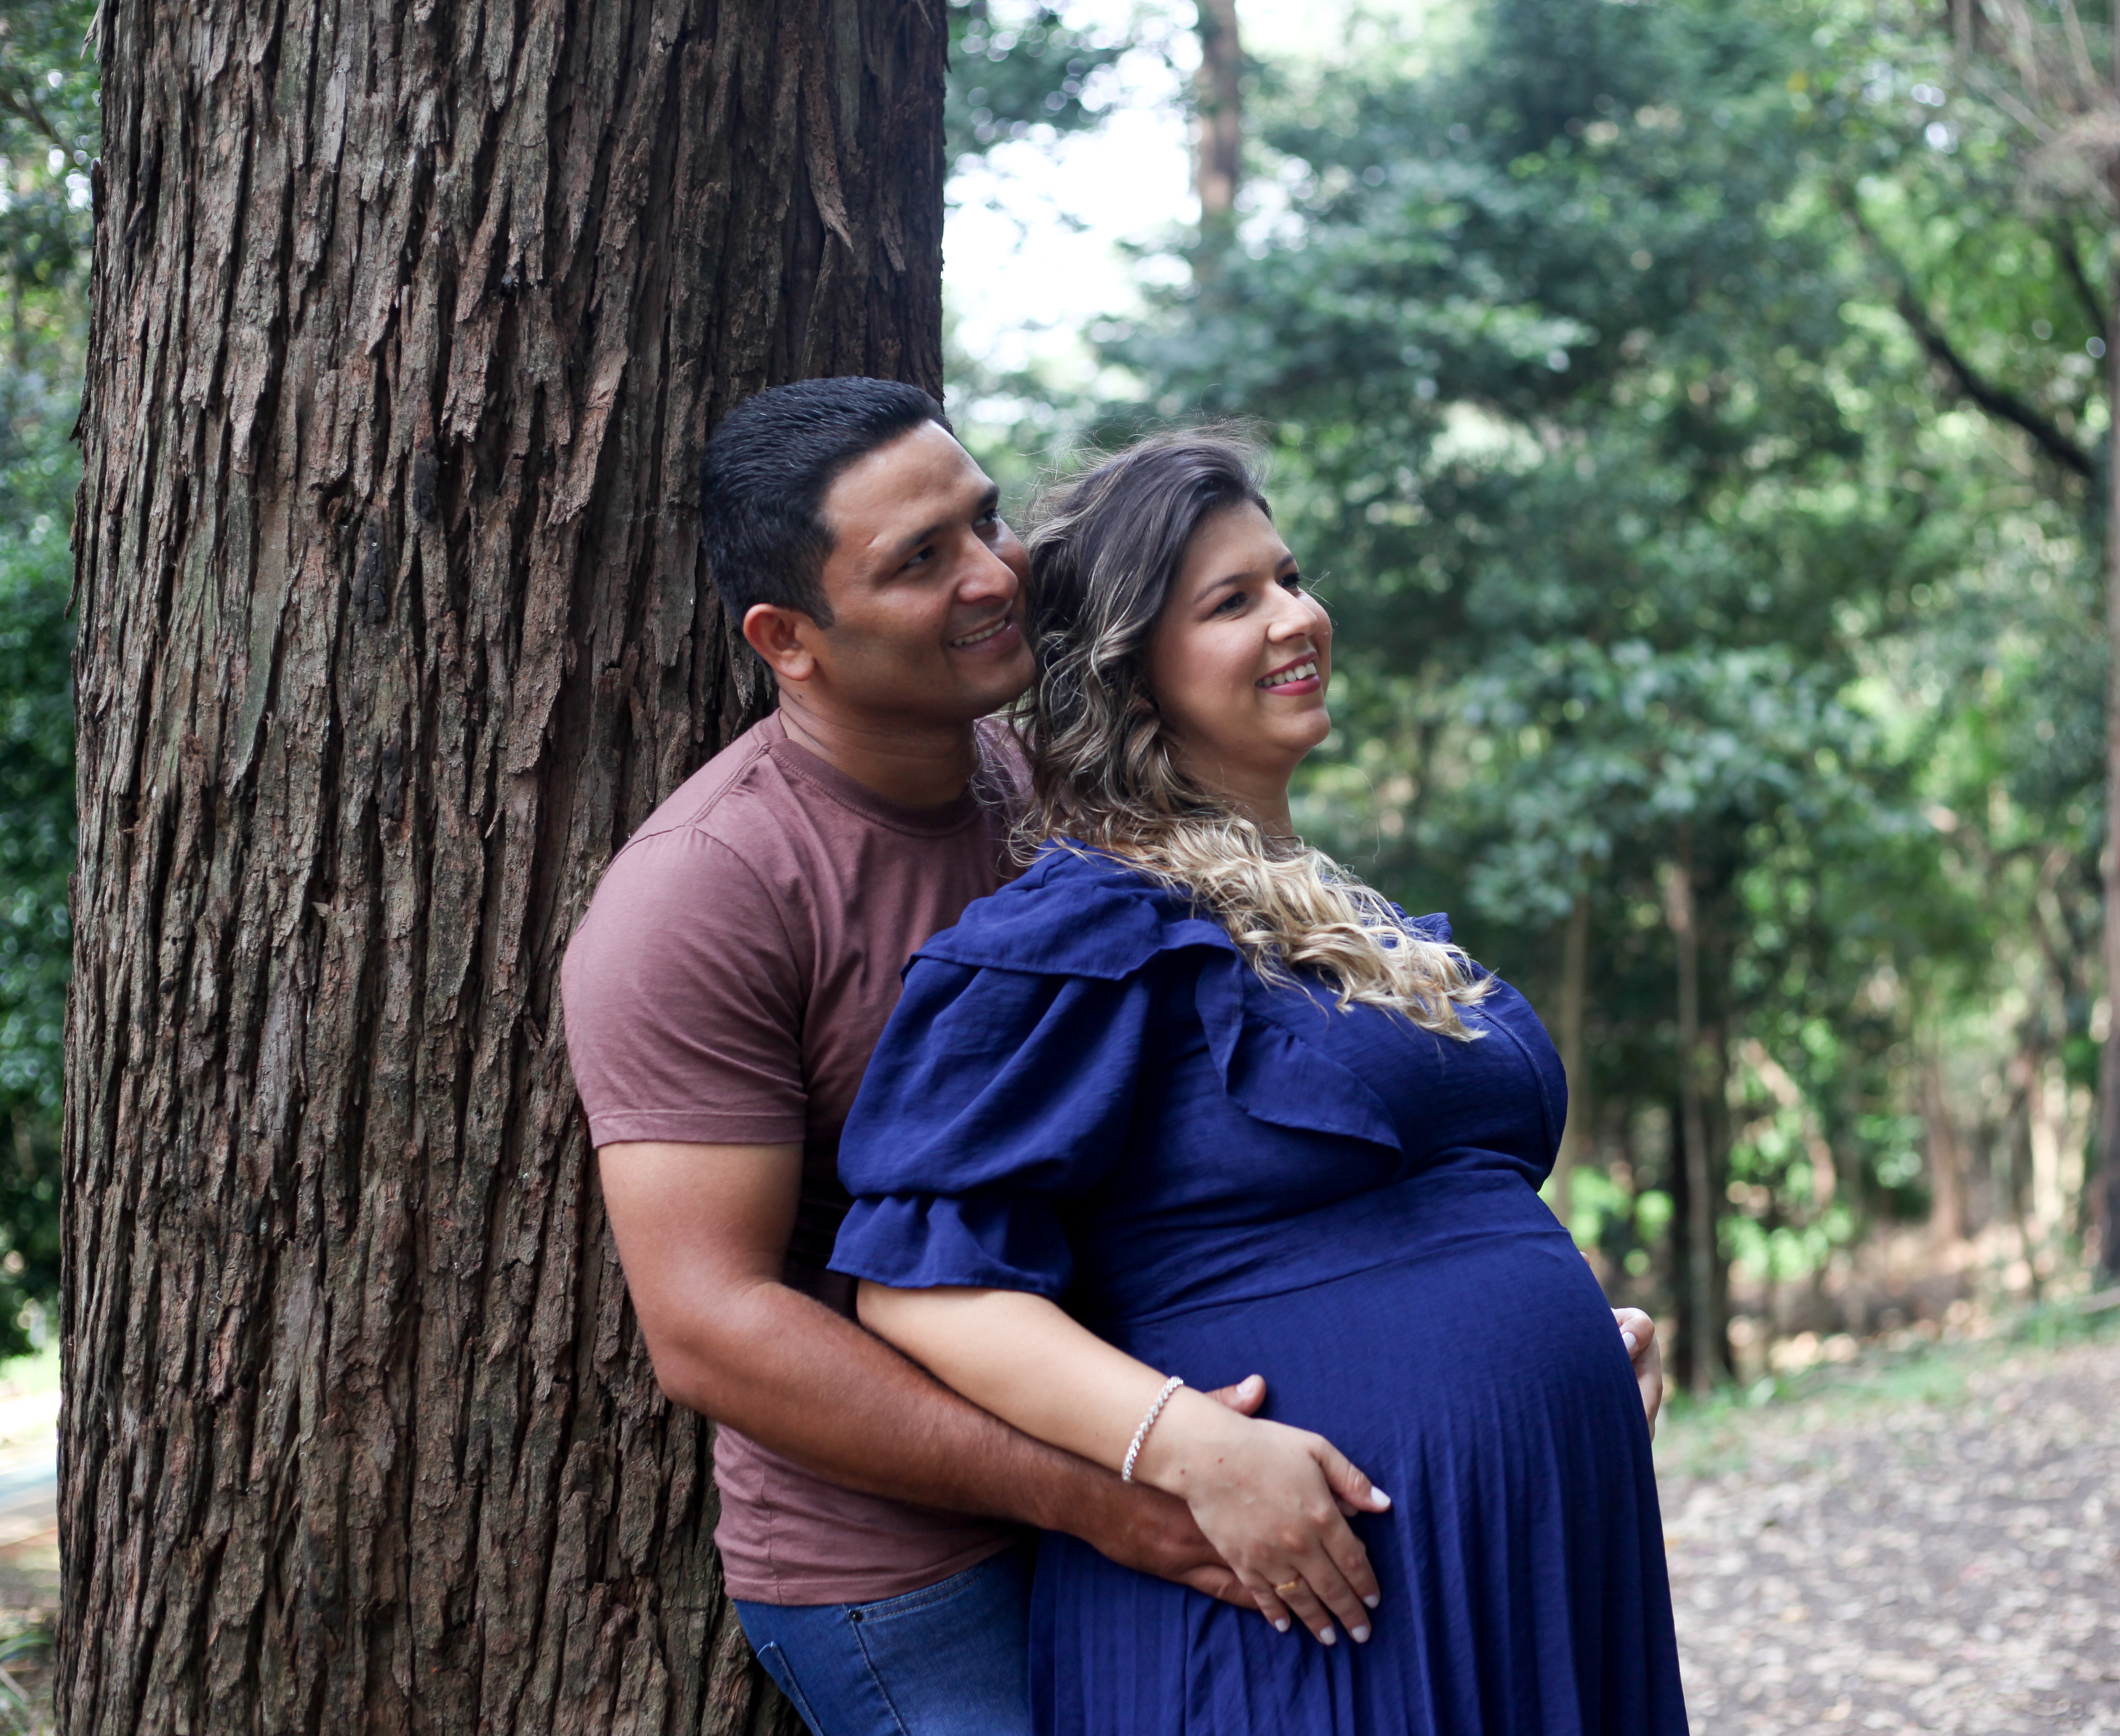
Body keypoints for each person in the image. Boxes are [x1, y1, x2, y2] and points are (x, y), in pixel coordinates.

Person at [562, 381, 1665, 1736]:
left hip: (1195, 1472)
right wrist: (1132, 1488)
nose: (991, 575)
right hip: (924, 1562)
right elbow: (715, 1329)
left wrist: (1521, 1330)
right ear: (789, 639)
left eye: (986, 520)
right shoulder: (708, 893)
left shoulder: (1081, 799)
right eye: (920, 561)